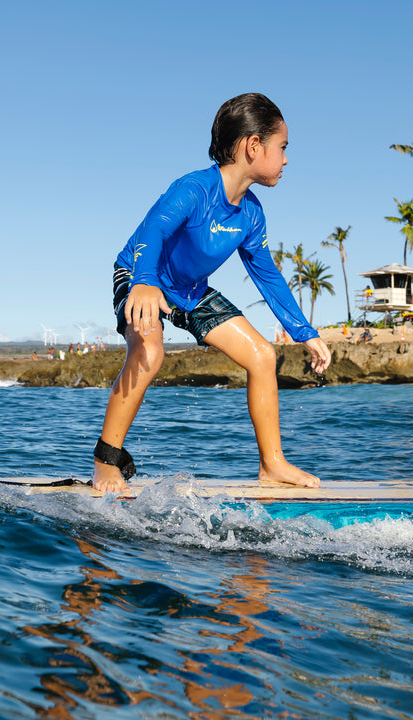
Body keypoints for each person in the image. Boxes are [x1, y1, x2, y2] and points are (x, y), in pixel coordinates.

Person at [92, 93, 331, 494]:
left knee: (262, 355)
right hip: (140, 274)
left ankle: (272, 464)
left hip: (189, 290)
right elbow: (154, 230)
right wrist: (144, 282)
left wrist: (303, 331)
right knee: (149, 353)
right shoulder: (194, 189)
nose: (286, 159)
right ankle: (106, 462)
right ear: (253, 146)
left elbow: (267, 275)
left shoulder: (251, 214)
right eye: (282, 147)